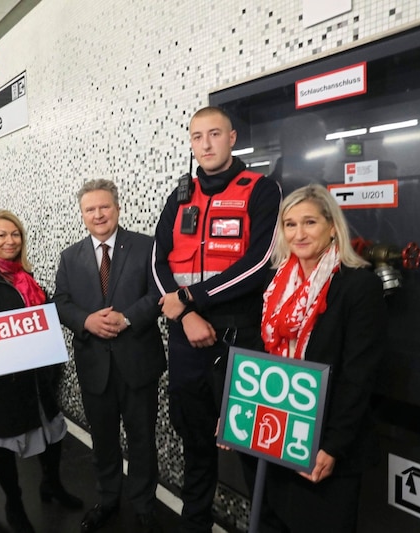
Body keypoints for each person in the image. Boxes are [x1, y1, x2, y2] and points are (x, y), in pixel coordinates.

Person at [152, 106, 281, 533]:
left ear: (232, 137)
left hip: (239, 342)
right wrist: (186, 314)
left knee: (253, 451)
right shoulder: (179, 196)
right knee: (196, 448)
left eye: (214, 134)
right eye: (196, 137)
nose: (205, 144)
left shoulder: (263, 190)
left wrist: (190, 297)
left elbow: (258, 263)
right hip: (187, 340)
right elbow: (158, 263)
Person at [254, 184, 386, 533]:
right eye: (290, 224)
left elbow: (359, 376)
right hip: (283, 436)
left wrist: (332, 445)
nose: (299, 234)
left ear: (332, 226)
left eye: (309, 222)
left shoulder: (359, 286)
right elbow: (265, 362)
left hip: (328, 448)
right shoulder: (276, 285)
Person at [53, 179, 166, 533]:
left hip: (137, 363)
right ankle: (108, 499)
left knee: (142, 440)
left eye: (104, 207)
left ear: (117, 208)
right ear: (82, 215)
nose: (98, 214)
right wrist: (86, 320)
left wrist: (127, 317)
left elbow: (159, 294)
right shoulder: (70, 257)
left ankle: (145, 505)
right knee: (102, 441)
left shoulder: (147, 247)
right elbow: (60, 303)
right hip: (94, 366)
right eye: (91, 209)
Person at [0, 210, 82, 533]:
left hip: (37, 376)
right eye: (1, 235)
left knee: (53, 432)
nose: (9, 241)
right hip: (5, 381)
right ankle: (13, 503)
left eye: (15, 234)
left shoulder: (26, 278)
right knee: (5, 445)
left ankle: (52, 484)